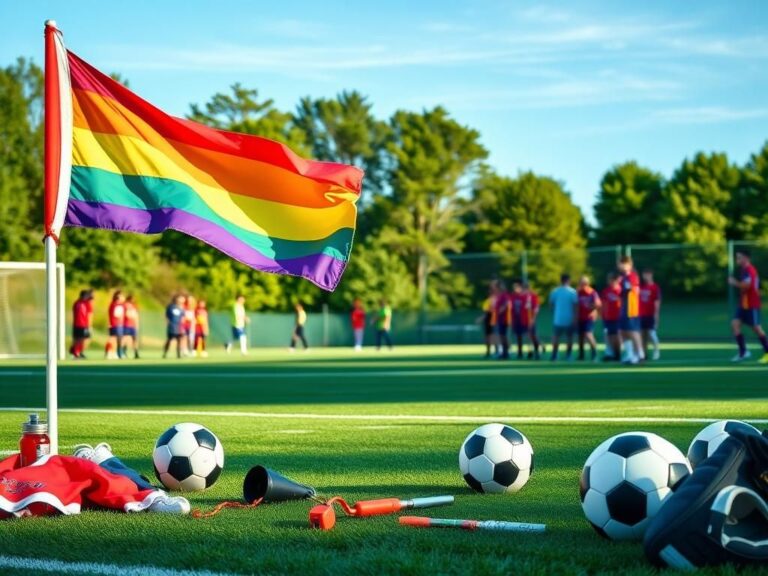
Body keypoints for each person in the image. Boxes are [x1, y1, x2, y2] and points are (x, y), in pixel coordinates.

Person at [728, 249, 768, 363]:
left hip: (752, 304)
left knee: (757, 328)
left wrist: (734, 282)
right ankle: (743, 352)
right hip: (743, 304)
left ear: (746, 258)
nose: (737, 260)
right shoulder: (744, 270)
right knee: (735, 324)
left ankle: (767, 352)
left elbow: (747, 285)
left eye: (739, 257)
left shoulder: (750, 270)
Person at [618, 256, 644, 364]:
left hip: (631, 308)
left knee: (633, 331)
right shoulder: (623, 278)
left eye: (624, 264)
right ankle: (630, 354)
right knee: (623, 331)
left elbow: (635, 290)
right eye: (620, 264)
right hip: (624, 307)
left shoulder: (632, 276)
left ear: (629, 265)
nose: (621, 266)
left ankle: (640, 354)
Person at [549, 274, 578, 361]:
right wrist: (575, 317)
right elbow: (575, 306)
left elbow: (551, 305)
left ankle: (554, 355)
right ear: (569, 280)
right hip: (569, 318)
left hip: (558, 318)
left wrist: (555, 312)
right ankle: (568, 355)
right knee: (569, 337)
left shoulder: (555, 291)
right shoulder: (572, 292)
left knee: (556, 337)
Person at [577, 275, 602, 362]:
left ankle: (594, 353)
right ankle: (581, 355)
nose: (582, 285)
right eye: (581, 283)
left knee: (588, 334)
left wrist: (591, 307)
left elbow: (598, 304)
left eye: (583, 283)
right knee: (580, 337)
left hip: (589, 317)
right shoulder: (578, 292)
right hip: (580, 317)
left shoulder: (592, 292)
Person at [639, 269, 662, 361]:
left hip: (650, 314)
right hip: (641, 315)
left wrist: (656, 316)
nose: (646, 276)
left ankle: (656, 350)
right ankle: (644, 353)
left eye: (648, 274)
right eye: (644, 274)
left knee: (651, 333)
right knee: (642, 335)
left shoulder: (655, 288)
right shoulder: (641, 287)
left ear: (651, 275)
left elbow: (657, 303)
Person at [600, 273, 622, 361]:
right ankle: (611, 353)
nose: (610, 282)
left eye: (612, 280)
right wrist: (602, 314)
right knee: (609, 335)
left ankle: (618, 353)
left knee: (617, 336)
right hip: (608, 317)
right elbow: (603, 304)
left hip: (618, 317)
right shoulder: (606, 291)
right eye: (609, 280)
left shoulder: (620, 291)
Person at [70, 289, 94, 359]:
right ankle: (77, 352)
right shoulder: (86, 303)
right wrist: (90, 326)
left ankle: (77, 352)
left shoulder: (76, 303)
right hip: (83, 325)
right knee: (84, 339)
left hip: (76, 324)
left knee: (78, 339)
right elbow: (90, 315)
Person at [522, 282, 543, 359]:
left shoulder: (533, 296)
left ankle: (537, 350)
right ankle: (530, 351)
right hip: (525, 320)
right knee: (528, 336)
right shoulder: (522, 297)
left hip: (531, 319)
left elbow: (536, 308)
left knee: (533, 335)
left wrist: (533, 318)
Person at [510, 281, 529, 359]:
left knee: (528, 336)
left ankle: (532, 350)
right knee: (518, 336)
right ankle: (520, 351)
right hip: (516, 319)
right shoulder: (513, 297)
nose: (515, 289)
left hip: (525, 319)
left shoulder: (525, 296)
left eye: (517, 287)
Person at [105, 291, 126, 360]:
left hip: (119, 325)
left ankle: (114, 353)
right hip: (115, 324)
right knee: (113, 339)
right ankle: (109, 352)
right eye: (122, 296)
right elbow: (116, 315)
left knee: (118, 340)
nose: (123, 297)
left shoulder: (120, 305)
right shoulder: (115, 305)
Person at [163, 294, 185, 359]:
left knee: (179, 340)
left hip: (179, 327)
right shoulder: (170, 307)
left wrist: (182, 327)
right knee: (169, 340)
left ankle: (178, 354)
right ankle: (165, 353)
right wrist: (168, 323)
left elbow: (183, 317)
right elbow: (166, 316)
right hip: (172, 326)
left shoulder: (181, 308)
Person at [494, 282, 511, 360]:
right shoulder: (499, 296)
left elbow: (506, 304)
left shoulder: (504, 295)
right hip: (500, 319)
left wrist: (501, 310)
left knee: (503, 336)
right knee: (501, 336)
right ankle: (504, 352)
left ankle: (506, 352)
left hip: (504, 319)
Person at [122, 294, 140, 359]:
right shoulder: (125, 305)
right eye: (132, 299)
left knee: (134, 339)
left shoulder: (134, 306)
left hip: (133, 325)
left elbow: (136, 316)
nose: (133, 300)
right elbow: (127, 314)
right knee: (125, 338)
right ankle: (123, 351)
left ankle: (136, 353)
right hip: (126, 324)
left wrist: (137, 325)